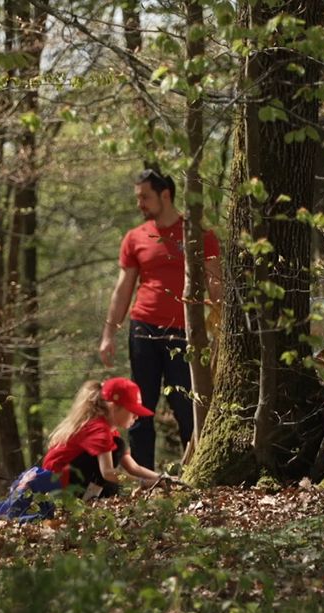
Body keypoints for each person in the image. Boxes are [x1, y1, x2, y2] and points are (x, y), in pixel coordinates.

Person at [98, 166, 223, 471]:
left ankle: (195, 472)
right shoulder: (135, 237)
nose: (139, 203)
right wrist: (108, 334)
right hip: (144, 329)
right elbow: (122, 289)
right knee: (142, 408)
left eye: (145, 197)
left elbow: (215, 282)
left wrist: (223, 327)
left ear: (165, 195)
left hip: (185, 333)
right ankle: (145, 479)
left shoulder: (197, 234)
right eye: (137, 197)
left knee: (187, 406)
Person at [0, 378, 161, 522]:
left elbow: (133, 466)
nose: (136, 416)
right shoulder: (98, 430)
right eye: (132, 410)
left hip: (53, 487)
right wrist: (142, 483)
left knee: (25, 517)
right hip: (42, 486)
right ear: (114, 407)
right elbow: (109, 473)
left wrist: (161, 480)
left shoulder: (112, 434)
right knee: (6, 516)